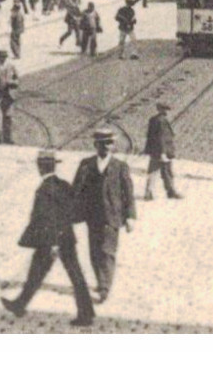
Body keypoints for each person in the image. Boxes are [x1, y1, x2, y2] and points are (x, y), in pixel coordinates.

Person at [1, 150, 96, 327]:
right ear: (54, 166)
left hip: (51, 240)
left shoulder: (45, 189)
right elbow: (72, 211)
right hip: (66, 237)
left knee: (66, 274)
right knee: (41, 273)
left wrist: (53, 243)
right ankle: (20, 304)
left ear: (40, 167)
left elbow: (48, 218)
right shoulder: (64, 185)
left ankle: (85, 314)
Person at [73, 128, 135, 303]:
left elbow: (128, 193)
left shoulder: (120, 167)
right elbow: (76, 189)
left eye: (110, 143)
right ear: (96, 145)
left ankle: (105, 287)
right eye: (103, 144)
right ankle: (101, 281)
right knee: (94, 251)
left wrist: (130, 216)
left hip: (112, 215)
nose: (107, 147)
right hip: (92, 215)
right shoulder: (86, 165)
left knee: (107, 251)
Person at [143, 101, 181, 199]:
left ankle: (150, 192)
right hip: (163, 151)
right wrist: (163, 153)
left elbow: (149, 136)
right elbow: (161, 137)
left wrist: (149, 150)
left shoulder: (154, 119)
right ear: (161, 110)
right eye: (165, 109)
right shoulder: (162, 121)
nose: (167, 112)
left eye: (167, 109)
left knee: (155, 172)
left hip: (156, 151)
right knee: (166, 172)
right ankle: (170, 192)